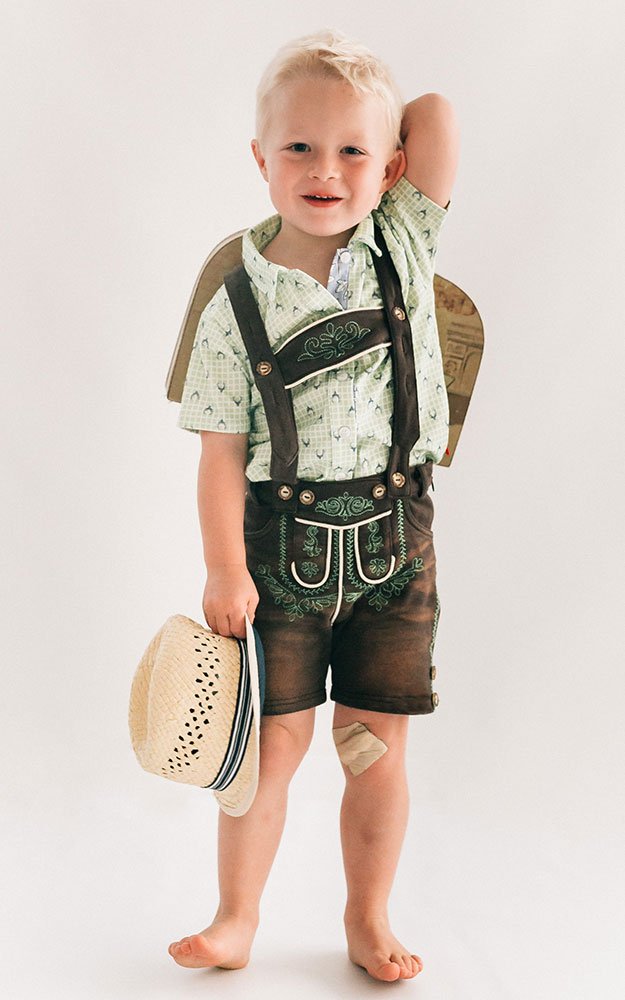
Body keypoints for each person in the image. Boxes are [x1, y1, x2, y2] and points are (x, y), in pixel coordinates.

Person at [168, 27, 459, 983]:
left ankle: (367, 917)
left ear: (392, 168)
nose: (323, 170)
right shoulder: (232, 301)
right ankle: (236, 918)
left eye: (350, 152)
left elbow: (437, 116)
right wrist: (223, 566)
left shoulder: (401, 241)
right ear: (259, 158)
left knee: (372, 747)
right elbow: (219, 454)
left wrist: (362, 103)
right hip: (278, 553)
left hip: (393, 546)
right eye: (297, 146)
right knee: (270, 747)